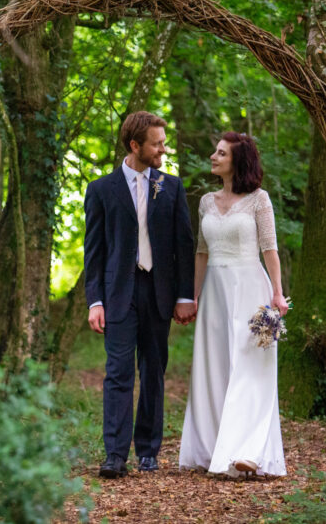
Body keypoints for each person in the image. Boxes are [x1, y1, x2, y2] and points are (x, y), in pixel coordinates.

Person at [84, 111, 195, 478]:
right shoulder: (101, 189)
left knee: (153, 370)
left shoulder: (172, 186)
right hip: (118, 293)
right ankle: (115, 454)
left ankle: (148, 449)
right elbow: (95, 251)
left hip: (158, 291)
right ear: (135, 146)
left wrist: (184, 295)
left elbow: (183, 245)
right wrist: (95, 301)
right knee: (117, 373)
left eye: (163, 141)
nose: (163, 148)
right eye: (157, 143)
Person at [179, 132, 288, 477]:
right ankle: (215, 448)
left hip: (253, 289)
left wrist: (277, 294)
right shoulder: (207, 202)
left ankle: (249, 452)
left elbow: (269, 249)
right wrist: (192, 296)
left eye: (221, 153)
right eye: (215, 151)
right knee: (215, 368)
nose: (213, 156)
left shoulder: (259, 200)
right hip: (215, 292)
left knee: (252, 368)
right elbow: (201, 252)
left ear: (237, 161)